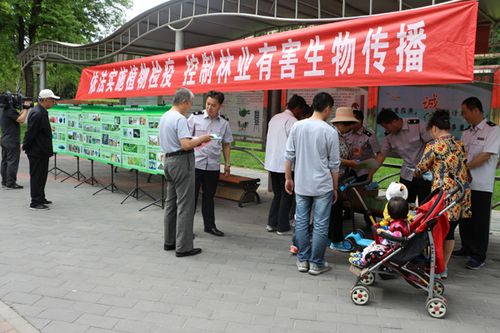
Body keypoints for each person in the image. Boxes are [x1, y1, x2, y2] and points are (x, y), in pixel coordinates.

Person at [285, 92, 340, 276]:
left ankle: (302, 260)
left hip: (301, 183)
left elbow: (289, 155)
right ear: (327, 109)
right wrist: (335, 187)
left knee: (300, 222)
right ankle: (316, 263)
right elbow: (334, 165)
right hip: (323, 185)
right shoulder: (330, 131)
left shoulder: (297, 126)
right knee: (321, 224)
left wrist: (288, 178)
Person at [414, 110, 471, 277]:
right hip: (460, 193)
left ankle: (435, 267)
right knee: (450, 231)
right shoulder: (459, 144)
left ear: (434, 128)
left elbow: (421, 167)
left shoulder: (434, 145)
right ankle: (443, 268)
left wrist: (417, 173)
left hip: (443, 195)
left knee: (436, 231)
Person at [159, 88, 211, 258]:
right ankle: (184, 246)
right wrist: (202, 138)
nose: (190, 106)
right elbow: (186, 145)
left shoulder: (165, 116)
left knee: (171, 203)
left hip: (168, 161)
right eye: (190, 103)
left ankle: (169, 241)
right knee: (185, 205)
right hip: (182, 162)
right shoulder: (180, 119)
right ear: (184, 102)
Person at [454, 97, 500, 270]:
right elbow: (461, 153)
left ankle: (479, 255)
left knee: (480, 220)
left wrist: (466, 167)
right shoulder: (467, 132)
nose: (463, 116)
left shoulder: (493, 130)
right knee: (465, 218)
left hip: (481, 184)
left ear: (475, 110)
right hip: (465, 184)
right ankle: (466, 247)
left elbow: (486, 155)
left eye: (465, 112)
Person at [187, 90, 233, 237]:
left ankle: (210, 226)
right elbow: (185, 139)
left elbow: (226, 144)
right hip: (195, 164)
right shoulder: (195, 118)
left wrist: (227, 163)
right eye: (208, 104)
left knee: (209, 197)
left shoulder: (224, 123)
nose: (209, 107)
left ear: (220, 106)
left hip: (212, 165)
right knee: (191, 198)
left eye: (213, 105)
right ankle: (186, 228)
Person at [264, 94, 310, 235]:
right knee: (287, 195)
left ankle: (272, 223)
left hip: (272, 162)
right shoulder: (293, 122)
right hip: (286, 165)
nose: (302, 115)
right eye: (301, 112)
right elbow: (296, 145)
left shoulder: (275, 118)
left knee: (278, 194)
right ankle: (282, 226)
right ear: (297, 108)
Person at [373, 108, 432, 205]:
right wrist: (371, 173)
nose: (386, 130)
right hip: (407, 174)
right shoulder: (389, 136)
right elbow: (382, 155)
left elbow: (431, 145)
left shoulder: (416, 125)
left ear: (394, 121)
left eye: (387, 127)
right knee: (404, 204)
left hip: (424, 173)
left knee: (425, 203)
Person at [327, 107, 360, 252]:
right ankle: (336, 240)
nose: (350, 128)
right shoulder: (333, 134)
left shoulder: (338, 135)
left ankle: (331, 238)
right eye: (349, 125)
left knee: (333, 210)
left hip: (338, 177)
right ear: (343, 124)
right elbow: (334, 159)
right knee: (335, 209)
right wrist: (350, 163)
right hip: (333, 178)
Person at [22, 89, 59, 210]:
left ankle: (41, 197)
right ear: (46, 100)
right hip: (36, 151)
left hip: (41, 151)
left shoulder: (41, 111)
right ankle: (35, 202)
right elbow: (31, 133)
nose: (54, 103)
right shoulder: (38, 113)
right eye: (52, 100)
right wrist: (26, 146)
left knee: (42, 176)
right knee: (37, 176)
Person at [349, 196, 410, 268]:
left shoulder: (398, 226)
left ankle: (363, 261)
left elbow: (396, 237)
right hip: (388, 244)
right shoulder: (401, 221)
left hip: (389, 247)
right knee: (373, 244)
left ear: (390, 213)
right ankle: (363, 254)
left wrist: (384, 232)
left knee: (375, 250)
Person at [344, 109, 381, 181]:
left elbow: (378, 155)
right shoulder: (347, 133)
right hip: (349, 170)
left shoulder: (369, 135)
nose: (351, 124)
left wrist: (371, 174)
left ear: (360, 120)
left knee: (361, 191)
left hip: (364, 171)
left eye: (353, 121)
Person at [1, 95, 28, 189]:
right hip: (12, 140)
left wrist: (24, 109)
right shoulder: (10, 111)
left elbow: (17, 116)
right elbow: (21, 119)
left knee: (5, 161)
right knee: (12, 162)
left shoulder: (4, 111)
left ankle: (5, 180)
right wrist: (26, 109)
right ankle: (11, 182)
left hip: (5, 139)